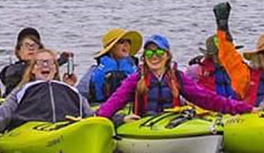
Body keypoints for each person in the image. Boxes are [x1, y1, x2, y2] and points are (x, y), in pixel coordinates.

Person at [96, 35, 252, 120]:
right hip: (144, 126)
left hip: (173, 123)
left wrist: (246, 109)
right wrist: (118, 120)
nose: (154, 57)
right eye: (149, 53)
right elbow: (114, 103)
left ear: (167, 55)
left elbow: (208, 99)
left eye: (159, 52)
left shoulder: (178, 77)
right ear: (144, 57)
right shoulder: (136, 79)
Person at [0, 47, 94, 130]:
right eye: (40, 62)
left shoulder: (69, 89)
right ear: (33, 70)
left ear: (55, 69)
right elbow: (3, 114)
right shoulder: (22, 90)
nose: (45, 65)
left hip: (67, 128)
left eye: (50, 62)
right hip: (32, 130)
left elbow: (89, 114)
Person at [0, 27, 74, 96]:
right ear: (19, 51)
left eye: (34, 45)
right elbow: (27, 70)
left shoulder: (48, 73)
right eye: (26, 45)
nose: (31, 49)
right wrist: (58, 61)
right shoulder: (13, 70)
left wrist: (67, 85)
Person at [78, 28, 141, 104]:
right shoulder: (94, 71)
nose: (126, 45)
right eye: (121, 42)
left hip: (131, 106)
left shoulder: (137, 69)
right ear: (111, 48)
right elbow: (80, 95)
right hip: (102, 106)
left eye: (128, 42)